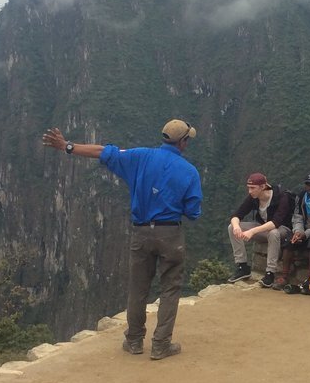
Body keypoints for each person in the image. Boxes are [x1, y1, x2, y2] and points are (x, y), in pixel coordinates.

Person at [41, 121, 202, 360]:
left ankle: (134, 341)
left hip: (141, 233)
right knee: (170, 289)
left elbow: (102, 152)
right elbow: (193, 212)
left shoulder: (139, 157)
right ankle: (161, 345)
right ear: (183, 142)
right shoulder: (189, 171)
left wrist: (67, 146)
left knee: (138, 288)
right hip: (170, 234)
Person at [227, 172, 293, 287]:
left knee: (273, 233)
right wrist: (237, 227)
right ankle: (242, 266)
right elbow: (236, 215)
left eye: (253, 188)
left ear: (263, 187)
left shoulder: (282, 196)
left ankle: (270, 273)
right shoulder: (254, 197)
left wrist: (252, 231)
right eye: (248, 188)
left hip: (283, 230)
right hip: (263, 228)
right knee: (231, 227)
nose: (250, 191)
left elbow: (275, 223)